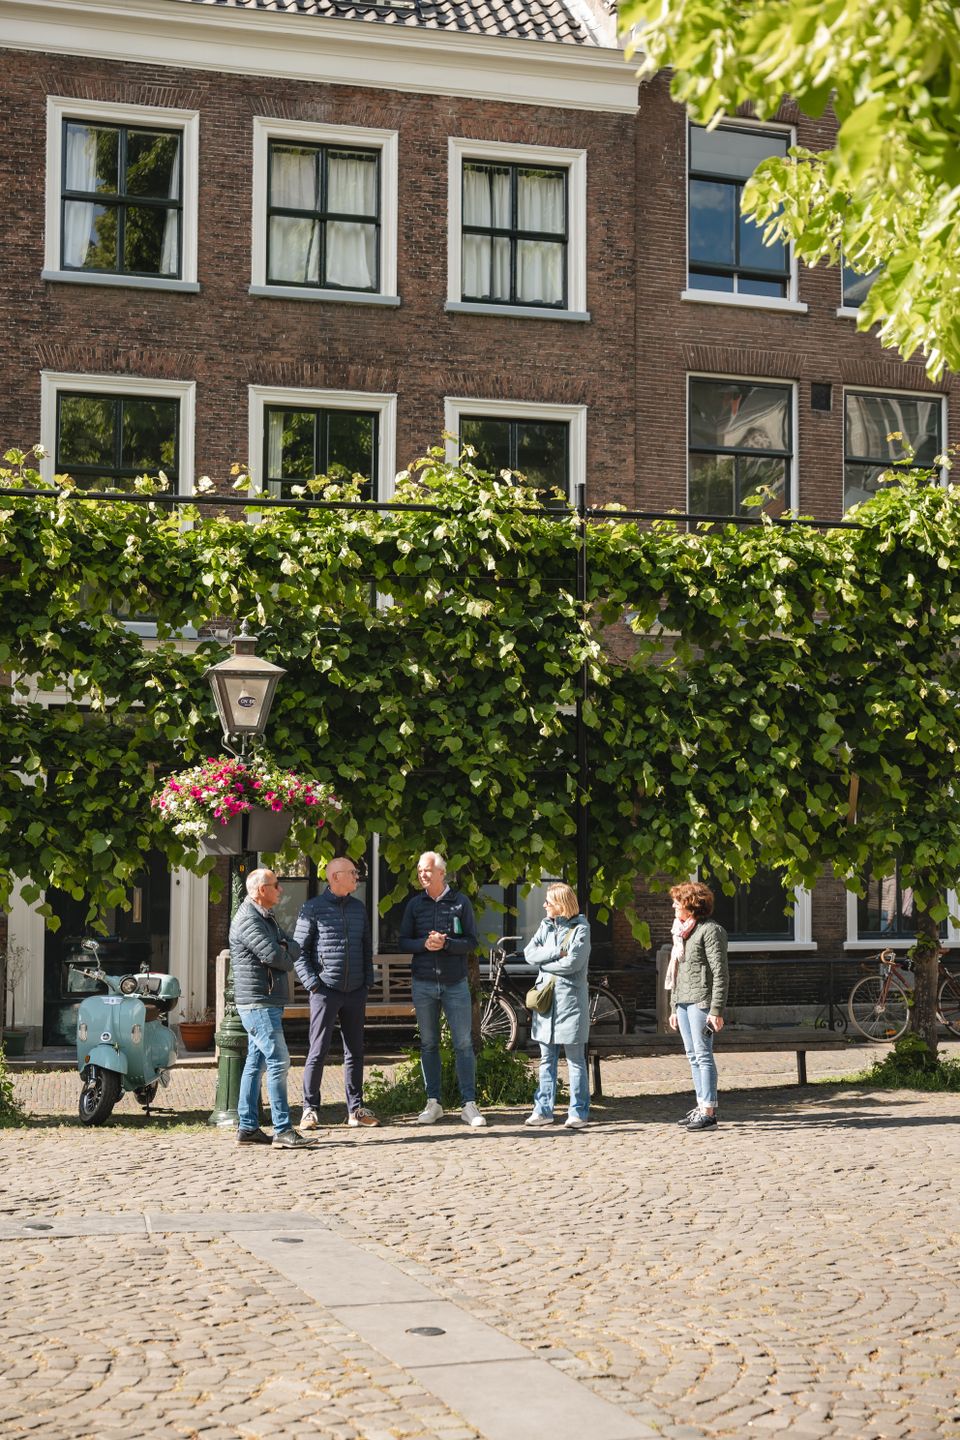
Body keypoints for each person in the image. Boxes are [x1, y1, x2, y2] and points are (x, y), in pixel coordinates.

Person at [398, 850, 485, 1127]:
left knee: (463, 1043)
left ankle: (468, 1104)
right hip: (423, 983)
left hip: (455, 983)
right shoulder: (414, 905)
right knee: (429, 1044)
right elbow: (403, 942)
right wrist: (423, 944)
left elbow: (471, 942)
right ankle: (433, 1102)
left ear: (441, 873)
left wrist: (446, 943)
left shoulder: (460, 903)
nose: (422, 874)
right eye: (420, 870)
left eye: (426, 870)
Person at [230, 867, 315, 1148]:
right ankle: (282, 1129)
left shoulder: (266, 916)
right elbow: (277, 957)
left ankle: (248, 1127)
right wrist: (284, 950)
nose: (280, 889)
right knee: (279, 1061)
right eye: (276, 885)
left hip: (266, 1000)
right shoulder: (248, 920)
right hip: (258, 1003)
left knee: (255, 1064)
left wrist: (284, 949)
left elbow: (292, 946)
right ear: (260, 890)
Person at [294, 857, 379, 1131]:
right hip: (325, 991)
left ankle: (355, 1109)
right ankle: (309, 1109)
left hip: (355, 991)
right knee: (317, 1050)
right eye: (352, 873)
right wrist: (313, 984)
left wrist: (367, 981)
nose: (357, 876)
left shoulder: (358, 909)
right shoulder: (313, 909)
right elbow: (299, 952)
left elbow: (366, 948)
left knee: (355, 1051)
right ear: (335, 877)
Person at [522, 883, 591, 1130]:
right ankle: (543, 1111)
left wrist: (545, 963)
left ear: (561, 905)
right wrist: (555, 952)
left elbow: (572, 964)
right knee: (546, 1059)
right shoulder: (545, 925)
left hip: (570, 1003)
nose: (544, 906)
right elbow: (529, 953)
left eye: (548, 902)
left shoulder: (581, 928)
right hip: (547, 1004)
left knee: (575, 1060)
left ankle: (578, 1112)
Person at [666, 881, 728, 1132]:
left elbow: (720, 972)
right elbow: (678, 972)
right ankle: (701, 1105)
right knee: (692, 1056)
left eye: (677, 902)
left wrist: (716, 1010)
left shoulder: (711, 931)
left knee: (703, 1055)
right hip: (683, 1000)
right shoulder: (682, 932)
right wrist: (673, 1007)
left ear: (690, 906)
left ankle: (709, 1112)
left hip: (702, 1000)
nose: (673, 905)